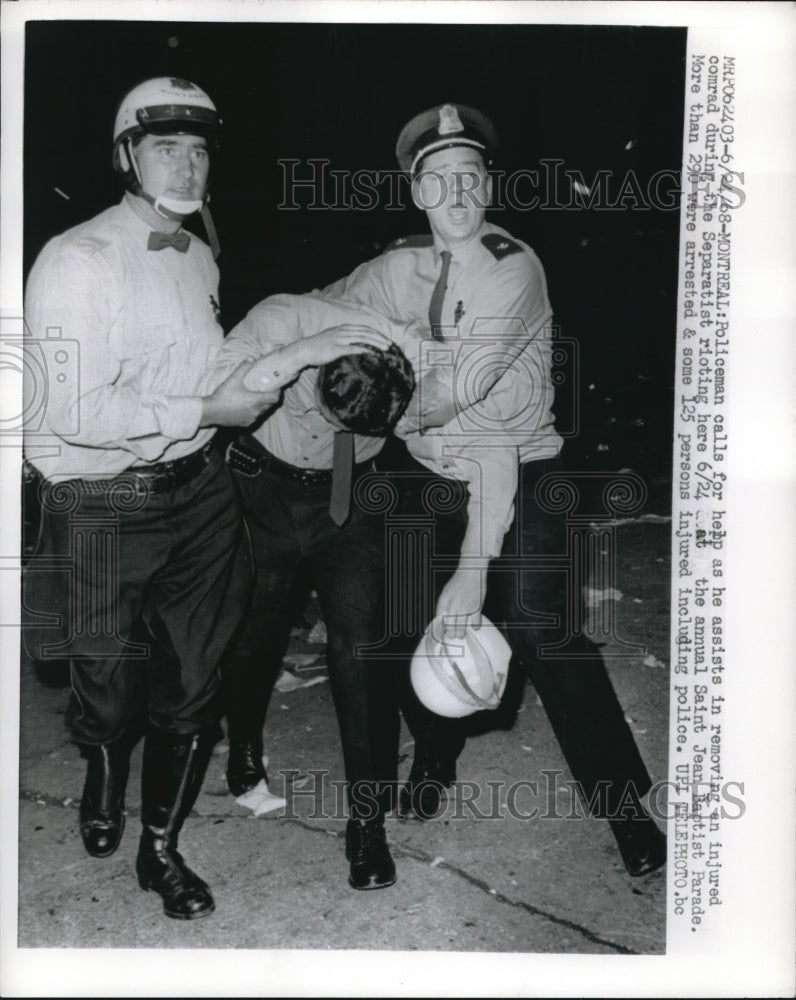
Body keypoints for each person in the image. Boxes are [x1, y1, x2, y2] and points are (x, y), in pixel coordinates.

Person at [317, 102, 666, 878]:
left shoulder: (514, 266)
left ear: (489, 184)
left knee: (545, 631)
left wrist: (372, 379)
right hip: (426, 473)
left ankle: (623, 809)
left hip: (521, 466)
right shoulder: (394, 264)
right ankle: (435, 752)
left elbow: (450, 396)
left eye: (469, 177)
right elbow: (323, 312)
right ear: (416, 191)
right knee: (402, 622)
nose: (456, 195)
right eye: (438, 180)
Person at [21, 77, 287, 921]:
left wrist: (276, 367)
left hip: (200, 492)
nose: (188, 164)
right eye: (166, 147)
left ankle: (160, 849)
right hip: (101, 502)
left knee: (193, 680)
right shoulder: (76, 260)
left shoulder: (198, 252)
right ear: (126, 157)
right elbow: (75, 411)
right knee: (105, 685)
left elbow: (204, 367)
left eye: (200, 148)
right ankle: (102, 763)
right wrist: (209, 407)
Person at [217, 294, 417, 890]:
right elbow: (220, 389)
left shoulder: (398, 342)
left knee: (357, 651)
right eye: (331, 416)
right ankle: (245, 744)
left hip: (348, 494)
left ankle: (367, 821)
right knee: (253, 640)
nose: (334, 428)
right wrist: (298, 354)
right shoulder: (281, 318)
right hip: (264, 489)